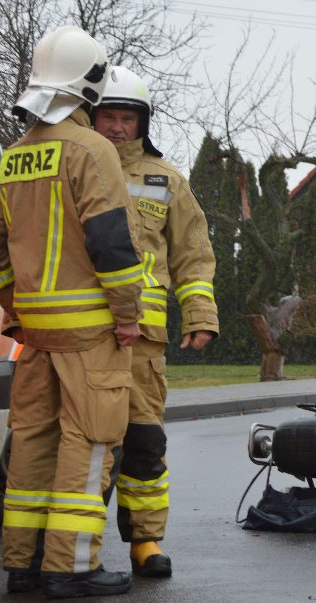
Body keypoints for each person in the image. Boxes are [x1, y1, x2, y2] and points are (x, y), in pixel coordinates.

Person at [0, 26, 143, 597]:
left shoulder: (16, 154)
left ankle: (23, 563)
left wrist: (14, 306)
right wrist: (126, 313)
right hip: (92, 330)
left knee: (34, 442)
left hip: (36, 334)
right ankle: (73, 568)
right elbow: (112, 245)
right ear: (90, 81)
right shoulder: (93, 150)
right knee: (90, 444)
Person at [92, 66, 219, 577]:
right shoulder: (76, 167)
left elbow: (193, 253)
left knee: (144, 443)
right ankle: (78, 549)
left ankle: (145, 541)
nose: (118, 127)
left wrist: (201, 314)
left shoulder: (166, 180)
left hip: (144, 343)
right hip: (86, 335)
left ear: (142, 122)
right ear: (91, 117)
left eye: (127, 118)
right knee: (90, 445)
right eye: (109, 116)